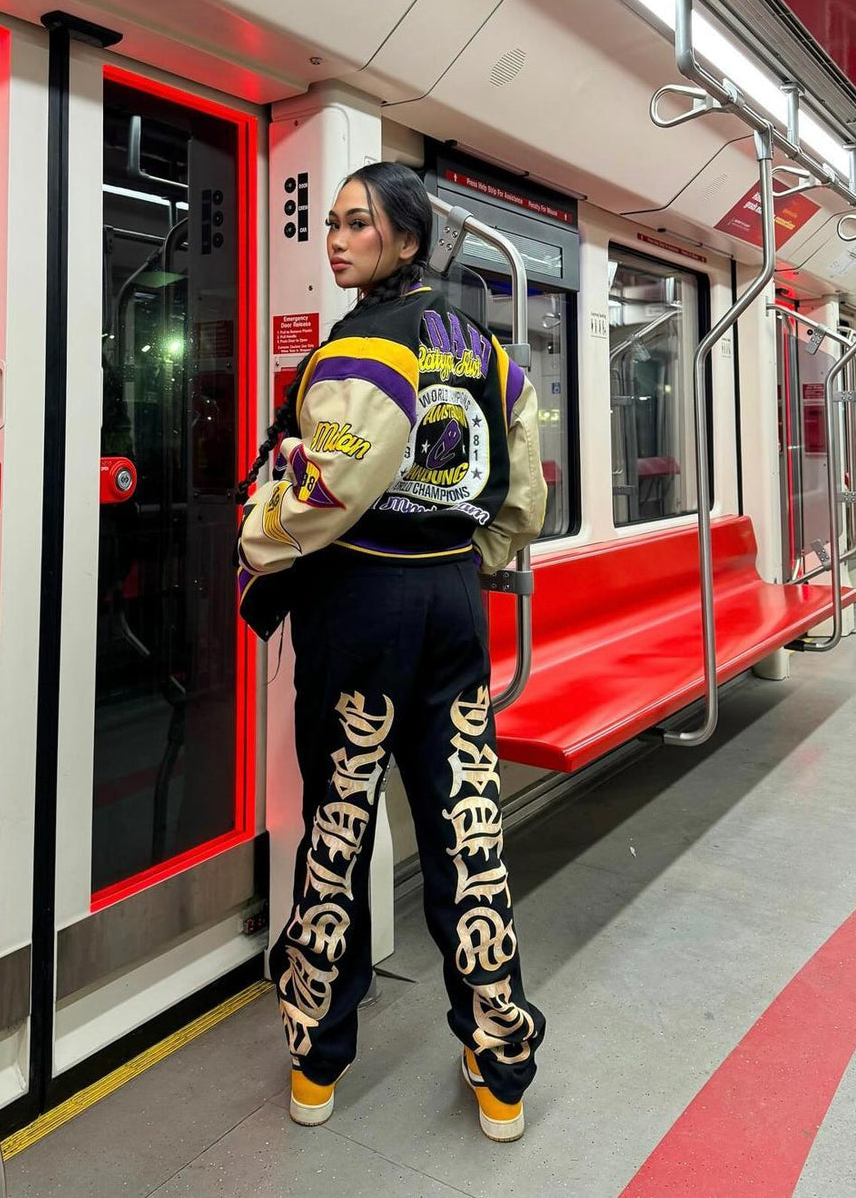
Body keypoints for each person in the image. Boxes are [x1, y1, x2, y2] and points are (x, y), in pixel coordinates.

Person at [236, 161, 546, 1142]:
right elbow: (524, 493)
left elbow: (322, 493)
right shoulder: (488, 355)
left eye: (357, 225)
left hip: (360, 608)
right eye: (330, 224)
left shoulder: (359, 350)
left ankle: (316, 1061)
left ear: (404, 242)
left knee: (338, 827)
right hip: (454, 604)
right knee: (466, 827)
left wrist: (256, 535)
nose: (336, 239)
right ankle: (499, 1063)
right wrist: (467, 559)